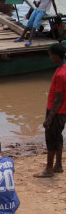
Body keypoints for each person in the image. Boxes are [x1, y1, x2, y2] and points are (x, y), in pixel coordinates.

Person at [35, 43, 66, 178]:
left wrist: (49, 117)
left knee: (51, 139)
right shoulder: (63, 69)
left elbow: (58, 99)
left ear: (56, 55)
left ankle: (49, 169)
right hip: (62, 111)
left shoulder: (60, 74)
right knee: (58, 137)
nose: (50, 57)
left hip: (56, 111)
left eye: (50, 54)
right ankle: (58, 165)